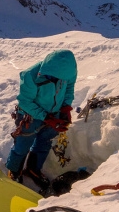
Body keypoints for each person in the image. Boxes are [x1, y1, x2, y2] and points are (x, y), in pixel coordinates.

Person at [5, 49, 76, 190]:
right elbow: (25, 102)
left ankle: (32, 169)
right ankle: (14, 172)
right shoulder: (30, 75)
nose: (53, 79)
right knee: (22, 146)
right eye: (51, 76)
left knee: (44, 143)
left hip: (54, 113)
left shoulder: (68, 71)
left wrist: (65, 108)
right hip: (29, 115)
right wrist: (46, 117)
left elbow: (69, 87)